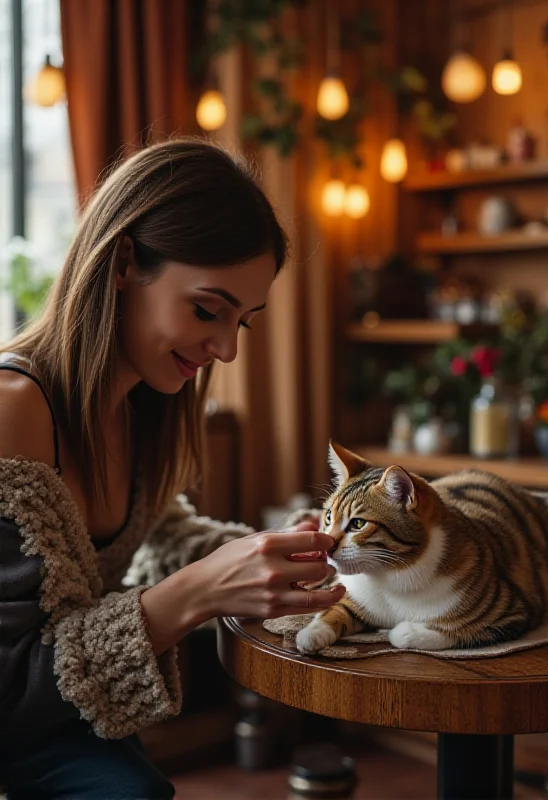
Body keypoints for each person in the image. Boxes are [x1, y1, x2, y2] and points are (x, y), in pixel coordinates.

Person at [0, 137, 345, 800]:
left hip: (62, 721)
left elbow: (164, 532)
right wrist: (199, 592)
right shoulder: (14, 410)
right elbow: (10, 688)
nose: (223, 350)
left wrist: (262, 554)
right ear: (125, 262)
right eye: (207, 309)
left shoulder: (144, 408)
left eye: (240, 323)